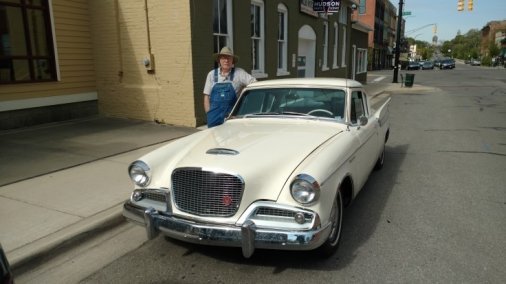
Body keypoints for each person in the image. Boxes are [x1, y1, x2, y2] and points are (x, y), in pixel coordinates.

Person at [203, 46, 256, 128]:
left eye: (229, 58)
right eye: (224, 58)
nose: (226, 61)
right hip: (213, 117)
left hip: (231, 118)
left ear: (233, 61)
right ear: (219, 60)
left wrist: (243, 101)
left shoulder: (239, 73)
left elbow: (254, 83)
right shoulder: (211, 74)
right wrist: (209, 114)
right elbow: (206, 96)